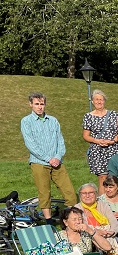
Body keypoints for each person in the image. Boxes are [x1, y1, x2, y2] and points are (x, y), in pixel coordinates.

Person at [21, 92, 77, 225]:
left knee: (69, 192)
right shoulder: (26, 121)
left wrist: (57, 157)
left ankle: (71, 220)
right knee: (44, 192)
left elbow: (60, 140)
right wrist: (48, 158)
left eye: (42, 104)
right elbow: (30, 144)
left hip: (57, 162)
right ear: (31, 105)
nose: (40, 107)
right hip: (39, 162)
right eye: (36, 104)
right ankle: (49, 222)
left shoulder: (53, 120)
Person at [75, 183, 118, 255]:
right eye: (84, 193)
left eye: (91, 193)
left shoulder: (102, 204)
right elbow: (82, 226)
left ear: (96, 194)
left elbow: (113, 220)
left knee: (112, 237)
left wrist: (112, 231)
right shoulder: (77, 208)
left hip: (106, 233)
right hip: (89, 234)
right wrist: (96, 231)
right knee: (95, 238)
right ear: (80, 195)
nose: (87, 195)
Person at [83, 89, 118, 188]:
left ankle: (115, 200)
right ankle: (102, 201)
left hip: (113, 149)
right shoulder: (88, 116)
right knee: (102, 178)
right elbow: (86, 135)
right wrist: (97, 141)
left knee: (115, 177)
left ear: (104, 101)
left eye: (101, 99)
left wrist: (112, 141)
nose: (99, 102)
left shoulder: (114, 114)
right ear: (92, 101)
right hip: (98, 151)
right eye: (96, 99)